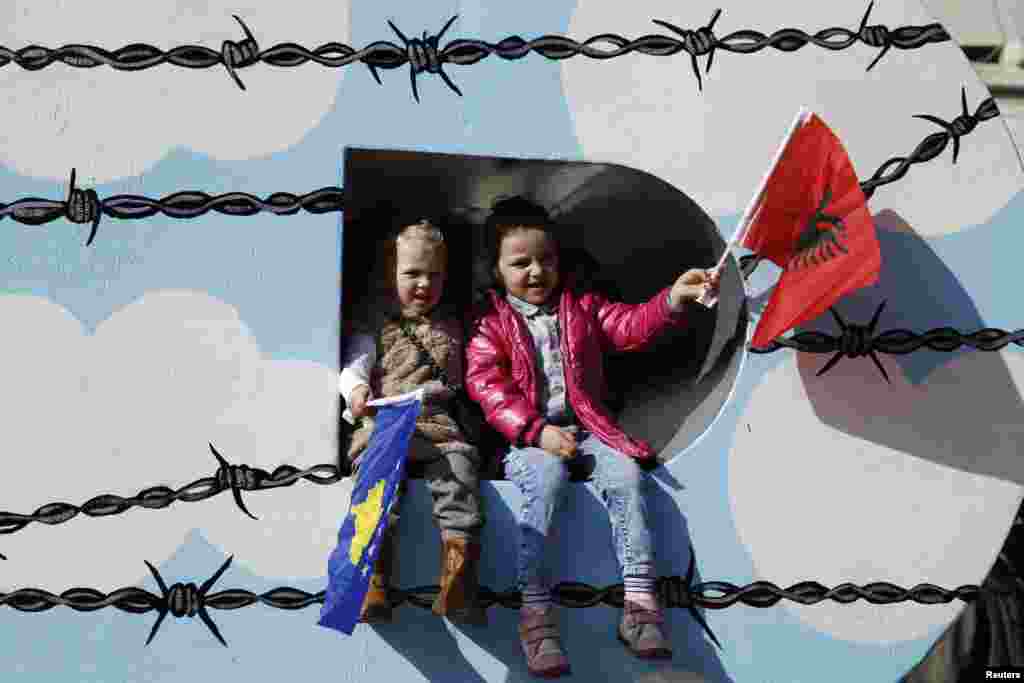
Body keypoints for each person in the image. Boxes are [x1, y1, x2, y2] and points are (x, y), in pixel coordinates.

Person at [465, 197, 719, 678]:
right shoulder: (489, 324)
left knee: (625, 478)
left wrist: (672, 298)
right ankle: (536, 616)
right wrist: (537, 433)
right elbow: (487, 386)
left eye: (546, 260)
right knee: (545, 485)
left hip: (589, 429)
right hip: (528, 440)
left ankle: (640, 606)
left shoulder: (580, 306)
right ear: (496, 270)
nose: (537, 271)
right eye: (521, 263)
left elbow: (626, 327)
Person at [340, 219, 486, 626]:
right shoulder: (377, 323)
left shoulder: (456, 325)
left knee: (460, 476)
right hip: (387, 423)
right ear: (390, 275)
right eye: (412, 274)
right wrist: (355, 393)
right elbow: (356, 363)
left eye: (434, 275)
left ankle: (458, 580)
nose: (424, 283)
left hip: (438, 428)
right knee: (376, 481)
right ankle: (373, 579)